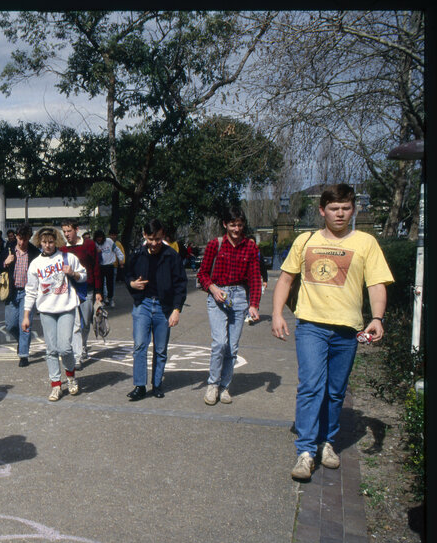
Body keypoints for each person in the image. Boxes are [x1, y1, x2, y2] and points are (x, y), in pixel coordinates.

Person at [271, 184, 393, 481]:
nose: (340, 214)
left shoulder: (366, 242)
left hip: (347, 330)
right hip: (311, 325)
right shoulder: (306, 240)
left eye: (346, 208)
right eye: (334, 208)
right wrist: (276, 314)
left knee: (335, 390)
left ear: (354, 210)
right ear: (322, 210)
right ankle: (306, 451)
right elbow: (286, 279)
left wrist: (377, 318)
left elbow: (376, 284)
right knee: (311, 385)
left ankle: (327, 443)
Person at [196, 206, 263, 406]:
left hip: (239, 296)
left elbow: (254, 278)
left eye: (240, 225)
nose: (236, 229)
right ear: (225, 224)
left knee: (232, 347)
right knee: (219, 343)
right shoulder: (214, 245)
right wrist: (213, 289)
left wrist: (254, 304)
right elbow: (202, 274)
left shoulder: (250, 247)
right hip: (218, 295)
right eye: (232, 224)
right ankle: (213, 385)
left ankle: (225, 387)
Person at [22, 227, 86, 401]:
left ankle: (71, 377)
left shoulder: (68, 257)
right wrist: (27, 315)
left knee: (65, 347)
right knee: (51, 350)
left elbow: (84, 275)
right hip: (46, 311)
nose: (48, 245)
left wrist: (73, 273)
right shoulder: (35, 264)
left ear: (56, 241)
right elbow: (31, 291)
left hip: (66, 307)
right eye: (44, 242)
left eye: (51, 242)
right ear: (39, 242)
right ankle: (56, 385)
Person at [125, 219, 187, 400]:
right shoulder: (138, 254)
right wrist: (131, 283)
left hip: (163, 307)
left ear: (163, 236)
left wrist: (177, 309)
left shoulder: (171, 255)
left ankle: (157, 384)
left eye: (158, 239)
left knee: (160, 349)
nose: (154, 243)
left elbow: (180, 284)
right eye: (151, 239)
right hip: (143, 304)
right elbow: (126, 272)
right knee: (139, 346)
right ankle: (140, 385)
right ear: (145, 236)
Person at [60, 221, 102, 370]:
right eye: (64, 231)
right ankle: (77, 354)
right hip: (70, 291)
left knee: (85, 322)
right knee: (75, 324)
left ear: (76, 230)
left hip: (88, 289)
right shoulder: (62, 249)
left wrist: (98, 291)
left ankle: (83, 345)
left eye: (69, 231)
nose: (66, 234)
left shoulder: (89, 245)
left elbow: (96, 268)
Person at [2, 224, 39, 367]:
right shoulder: (9, 249)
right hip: (11, 292)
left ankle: (23, 355)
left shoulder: (34, 252)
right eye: (19, 238)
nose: (22, 242)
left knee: (24, 324)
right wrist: (6, 262)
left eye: (25, 239)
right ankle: (22, 341)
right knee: (10, 325)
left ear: (29, 238)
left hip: (27, 293)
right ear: (16, 236)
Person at [95, 229, 124, 307]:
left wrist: (121, 259)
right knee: (100, 285)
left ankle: (111, 299)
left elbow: (117, 250)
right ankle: (103, 300)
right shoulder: (95, 244)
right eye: (97, 238)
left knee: (110, 284)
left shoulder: (109, 241)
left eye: (100, 237)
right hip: (100, 266)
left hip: (110, 265)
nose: (99, 239)